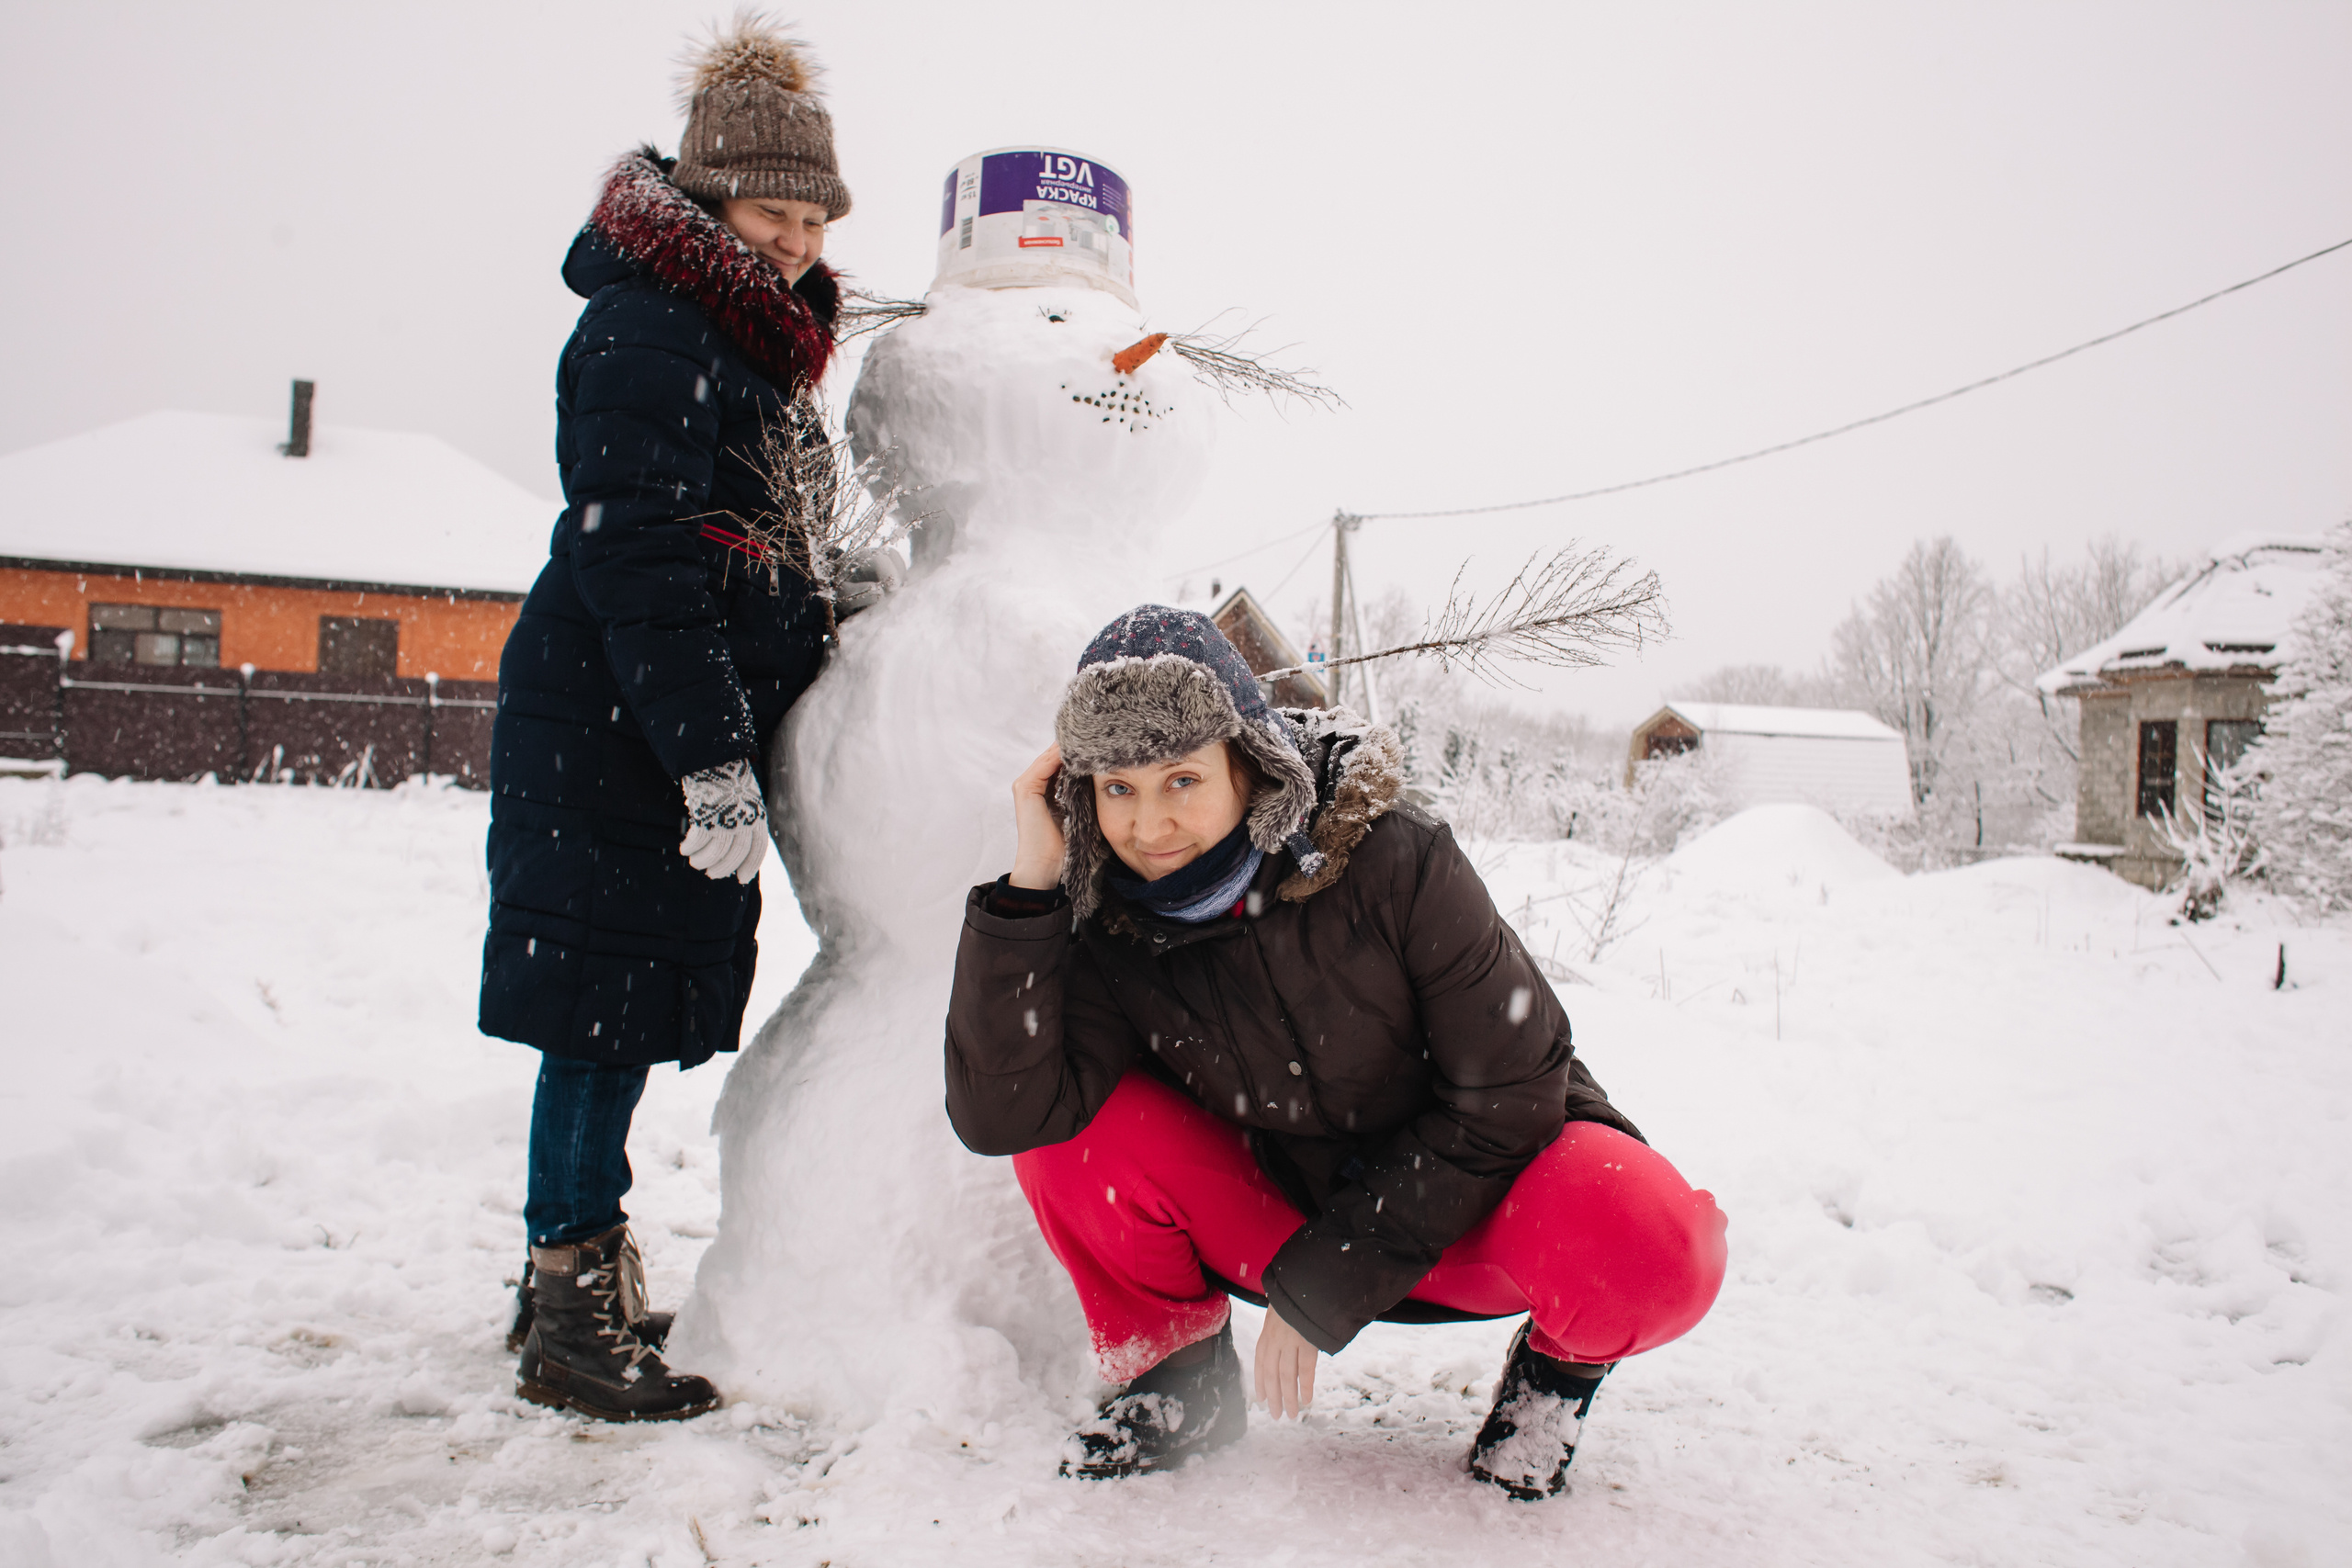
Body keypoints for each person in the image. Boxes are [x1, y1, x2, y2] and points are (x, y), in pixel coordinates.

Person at [944, 608, 1728, 1496]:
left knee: (1658, 1241)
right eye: (1116, 788)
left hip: (1474, 1210)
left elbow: (1511, 1092)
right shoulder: (1110, 923)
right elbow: (1005, 1112)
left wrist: (1326, 1284)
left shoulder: (1394, 859)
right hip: (1281, 1212)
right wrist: (1029, 890)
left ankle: (1549, 1391)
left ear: (1249, 763)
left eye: (1181, 778)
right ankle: (1177, 1388)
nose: (1150, 822)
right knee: (1066, 1131)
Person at [478, 18, 888, 1423]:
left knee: (623, 1006)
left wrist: (831, 591)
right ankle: (564, 1304)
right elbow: (642, 554)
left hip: (640, 713)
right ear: (712, 198)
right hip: (616, 721)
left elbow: (739, 534)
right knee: (595, 1011)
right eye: (775, 213)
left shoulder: (735, 338)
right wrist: (712, 762)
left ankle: (573, 1261)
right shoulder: (654, 322)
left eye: (814, 218)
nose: (795, 241)